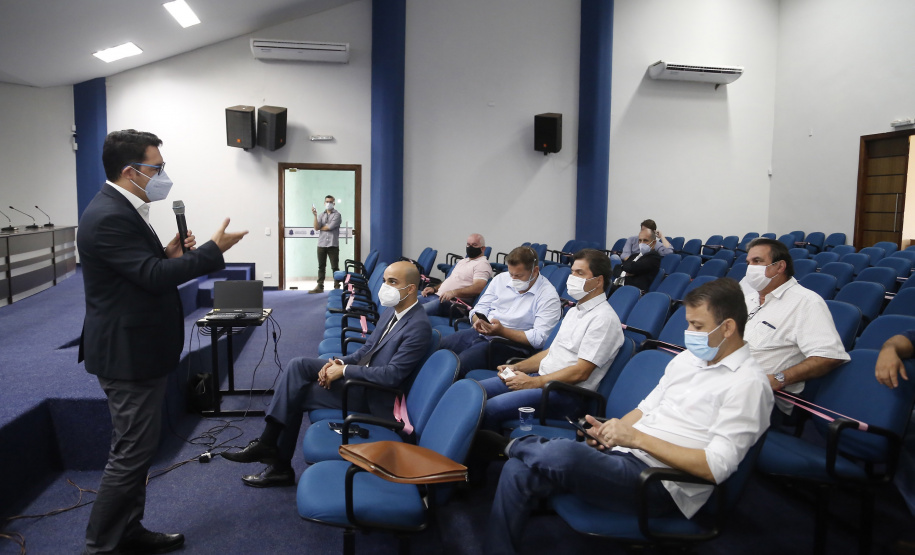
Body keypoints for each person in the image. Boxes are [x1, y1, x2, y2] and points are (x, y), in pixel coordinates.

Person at [483, 278, 773, 555]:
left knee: (563, 454)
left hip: (659, 484)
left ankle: (507, 445)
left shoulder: (749, 384)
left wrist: (636, 439)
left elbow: (715, 468)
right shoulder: (688, 360)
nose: (689, 333)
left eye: (697, 326)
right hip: (624, 456)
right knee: (518, 470)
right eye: (688, 324)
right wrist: (612, 431)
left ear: (728, 328)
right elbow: (646, 408)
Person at [78, 129, 248, 554]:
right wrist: (210, 251)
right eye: (156, 168)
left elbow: (143, 273)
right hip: (126, 355)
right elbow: (151, 278)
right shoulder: (109, 215)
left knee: (136, 450)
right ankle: (101, 546)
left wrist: (169, 257)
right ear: (129, 171)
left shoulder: (124, 209)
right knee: (131, 453)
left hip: (140, 348)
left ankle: (128, 531)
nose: (162, 175)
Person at [223, 261, 432, 486]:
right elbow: (366, 351)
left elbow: (392, 376)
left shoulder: (418, 326)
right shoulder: (393, 312)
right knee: (298, 365)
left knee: (297, 393)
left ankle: (276, 460)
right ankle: (270, 449)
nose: (385, 287)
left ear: (410, 289)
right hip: (362, 380)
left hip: (375, 397)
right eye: (384, 281)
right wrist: (339, 362)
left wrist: (344, 371)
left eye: (392, 282)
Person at [475, 249, 623, 431]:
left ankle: (492, 455)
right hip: (542, 380)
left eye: (580, 273)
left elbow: (580, 373)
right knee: (475, 393)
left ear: (598, 281)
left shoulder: (604, 319)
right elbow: (550, 352)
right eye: (572, 272)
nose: (573, 277)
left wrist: (533, 383)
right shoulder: (576, 310)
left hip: (565, 394)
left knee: (491, 408)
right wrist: (517, 368)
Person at [741, 237, 849, 414]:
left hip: (764, 397)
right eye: (749, 262)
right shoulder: (749, 300)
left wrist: (780, 378)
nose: (750, 268)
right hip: (729, 380)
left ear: (780, 266)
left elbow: (828, 356)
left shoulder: (806, 303)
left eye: (757, 261)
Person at [439, 246, 561, 375]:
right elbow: (480, 308)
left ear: (535, 271)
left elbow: (540, 338)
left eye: (519, 275)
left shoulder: (548, 296)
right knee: (440, 348)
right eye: (511, 274)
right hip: (483, 332)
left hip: (511, 346)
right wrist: (479, 320)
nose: (513, 279)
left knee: (459, 365)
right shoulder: (501, 279)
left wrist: (502, 331)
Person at [420, 233, 492, 317]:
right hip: (438, 296)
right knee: (407, 305)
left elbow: (478, 287)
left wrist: (454, 293)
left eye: (474, 245)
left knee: (416, 313)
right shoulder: (463, 261)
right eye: (468, 244)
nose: (470, 247)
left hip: (454, 305)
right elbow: (450, 280)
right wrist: (434, 288)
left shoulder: (482, 264)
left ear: (483, 249)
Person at [611, 228, 661, 294]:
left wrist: (624, 267)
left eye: (645, 240)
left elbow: (632, 268)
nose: (642, 243)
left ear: (654, 243)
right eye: (640, 240)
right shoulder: (634, 255)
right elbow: (616, 269)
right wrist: (625, 272)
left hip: (634, 291)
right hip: (619, 287)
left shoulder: (654, 257)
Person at [309, 194, 342, 294]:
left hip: (333, 245)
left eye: (331, 202)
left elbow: (330, 227)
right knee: (321, 266)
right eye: (327, 202)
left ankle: (337, 286)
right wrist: (315, 215)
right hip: (321, 244)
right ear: (324, 203)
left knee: (335, 267)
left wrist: (321, 227)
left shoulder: (337, 215)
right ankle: (320, 286)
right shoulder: (321, 215)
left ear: (334, 203)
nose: (329, 204)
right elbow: (315, 227)